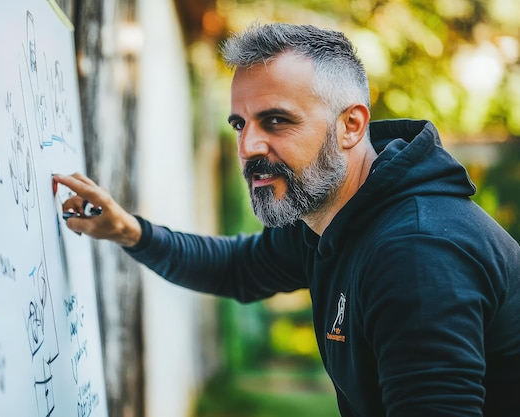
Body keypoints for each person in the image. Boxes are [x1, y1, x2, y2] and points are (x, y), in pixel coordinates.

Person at [53, 22, 520, 417]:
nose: (248, 147)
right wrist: (129, 231)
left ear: (351, 126)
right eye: (240, 123)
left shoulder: (415, 254)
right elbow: (237, 266)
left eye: (276, 120)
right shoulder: (331, 216)